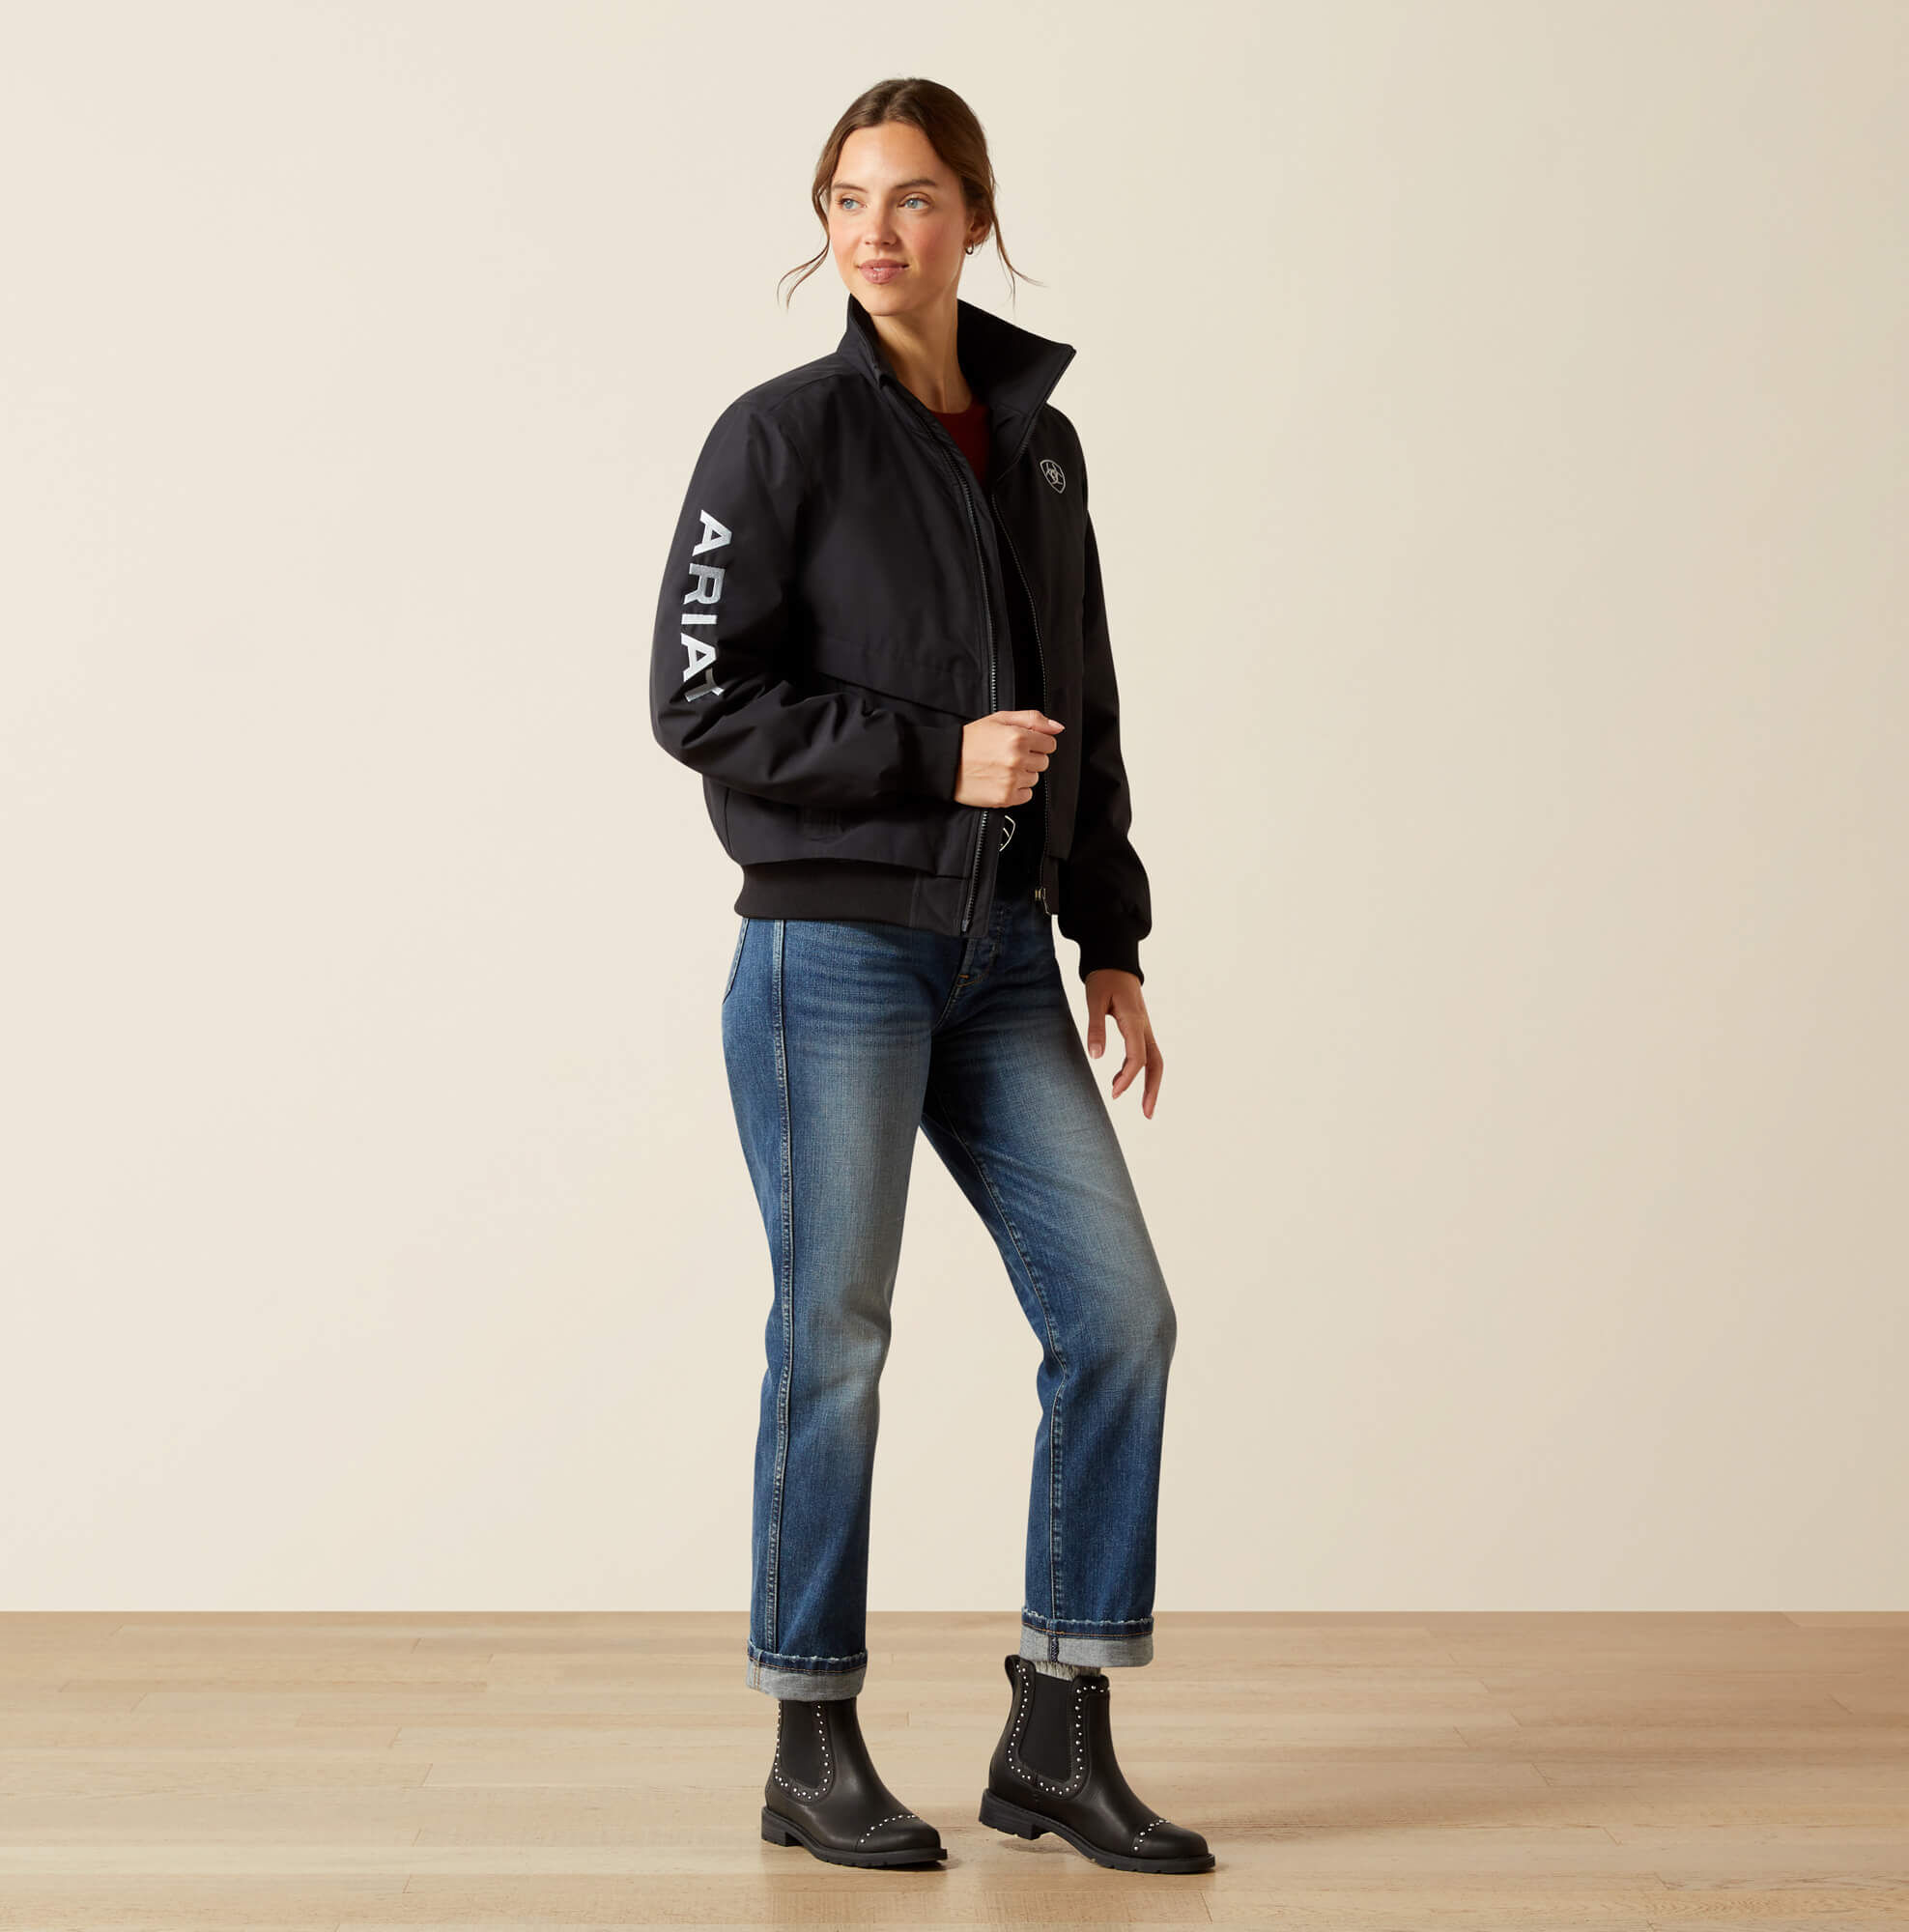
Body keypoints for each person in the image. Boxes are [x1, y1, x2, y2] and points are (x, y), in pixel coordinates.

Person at [647, 76, 1212, 1878]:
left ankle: (1057, 1732)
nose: (875, 231)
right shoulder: (779, 437)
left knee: (1118, 1320)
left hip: (1003, 959)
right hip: (831, 955)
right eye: (845, 199)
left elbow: (1084, 696)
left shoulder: (1039, 446)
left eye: (909, 198)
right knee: (835, 1337)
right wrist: (931, 759)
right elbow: (697, 700)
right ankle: (810, 1745)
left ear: (976, 216)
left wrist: (1109, 931)